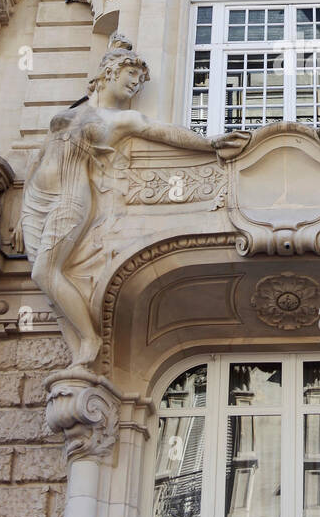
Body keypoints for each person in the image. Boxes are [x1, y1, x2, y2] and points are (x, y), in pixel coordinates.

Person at [14, 35, 248, 370]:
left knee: (44, 272)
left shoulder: (122, 120)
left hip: (71, 197)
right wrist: (19, 215)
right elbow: (39, 156)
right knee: (50, 280)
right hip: (37, 198)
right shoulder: (69, 114)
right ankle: (78, 350)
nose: (136, 85)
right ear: (109, 72)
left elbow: (164, 131)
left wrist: (211, 143)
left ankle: (91, 339)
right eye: (131, 77)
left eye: (139, 82)